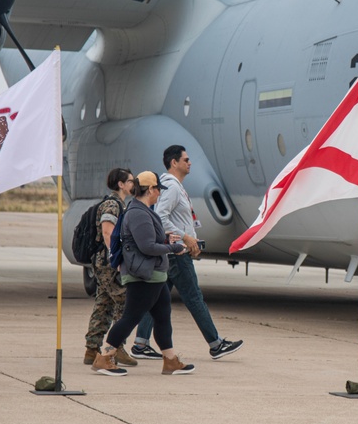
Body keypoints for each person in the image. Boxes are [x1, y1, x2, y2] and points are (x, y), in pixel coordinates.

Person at [130, 145, 243, 361]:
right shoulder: (171, 187)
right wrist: (186, 238)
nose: (189, 163)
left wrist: (192, 239)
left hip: (173, 251)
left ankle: (140, 343)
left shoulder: (174, 187)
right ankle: (215, 344)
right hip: (176, 253)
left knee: (155, 298)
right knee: (194, 298)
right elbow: (160, 218)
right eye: (186, 159)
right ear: (174, 162)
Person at [92, 171, 195, 376]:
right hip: (144, 276)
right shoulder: (139, 213)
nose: (159, 194)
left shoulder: (144, 211)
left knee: (163, 317)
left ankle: (170, 360)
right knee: (131, 317)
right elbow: (147, 247)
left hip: (154, 276)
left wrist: (166, 240)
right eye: (158, 189)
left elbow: (148, 242)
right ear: (150, 190)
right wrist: (172, 248)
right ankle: (104, 357)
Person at [83, 168, 139, 367]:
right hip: (108, 263)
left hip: (104, 262)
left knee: (104, 303)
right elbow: (107, 233)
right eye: (131, 181)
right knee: (125, 304)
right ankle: (117, 347)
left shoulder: (119, 204)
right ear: (121, 184)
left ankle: (92, 349)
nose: (134, 184)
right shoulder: (112, 205)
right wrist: (116, 260)